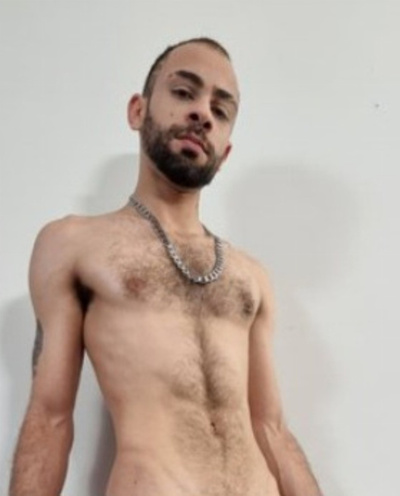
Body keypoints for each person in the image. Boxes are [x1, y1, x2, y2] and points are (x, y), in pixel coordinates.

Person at [9, 37, 323, 496]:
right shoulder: (74, 244)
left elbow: (272, 428)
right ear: (138, 111)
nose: (203, 113)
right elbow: (50, 418)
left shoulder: (250, 276)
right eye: (183, 92)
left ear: (225, 153)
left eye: (221, 110)